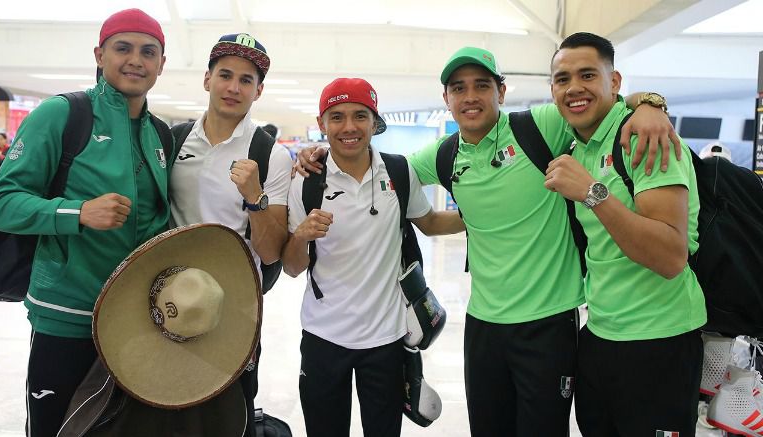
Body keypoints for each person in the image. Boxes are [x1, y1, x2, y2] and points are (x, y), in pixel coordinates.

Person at [296, 47, 679, 436]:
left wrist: (648, 104)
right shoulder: (441, 155)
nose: (470, 96)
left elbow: (593, 106)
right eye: (458, 88)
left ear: (502, 91)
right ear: (446, 99)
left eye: (482, 85)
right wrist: (320, 154)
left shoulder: (540, 126)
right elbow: (380, 171)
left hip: (548, 322)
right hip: (483, 324)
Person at [0, 9, 169, 437]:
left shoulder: (160, 134)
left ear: (161, 64)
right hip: (68, 314)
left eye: (148, 52)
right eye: (122, 48)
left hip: (135, 320)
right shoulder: (63, 114)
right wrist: (76, 213)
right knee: (57, 430)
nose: (136, 60)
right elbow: (3, 200)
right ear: (100, 53)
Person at [282, 77, 464, 437]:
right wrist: (301, 236)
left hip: (386, 339)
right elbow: (291, 266)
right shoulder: (306, 182)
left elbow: (428, 222)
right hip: (323, 337)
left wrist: (485, 217)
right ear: (322, 124)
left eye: (359, 116)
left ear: (374, 121)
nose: (349, 127)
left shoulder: (398, 171)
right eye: (336, 117)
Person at [545, 32, 705, 436]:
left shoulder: (645, 138)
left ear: (614, 82)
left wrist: (592, 192)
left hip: (661, 339)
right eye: (563, 79)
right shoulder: (578, 145)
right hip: (600, 335)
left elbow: (670, 256)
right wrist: (647, 101)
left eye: (587, 75)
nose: (574, 88)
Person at [168, 33, 292, 437]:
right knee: (166, 399)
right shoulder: (172, 140)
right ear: (207, 79)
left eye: (246, 80)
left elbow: (271, 251)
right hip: (169, 295)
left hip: (236, 305)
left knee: (229, 409)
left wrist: (255, 197)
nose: (233, 87)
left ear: (258, 91)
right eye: (225, 75)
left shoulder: (270, 153)